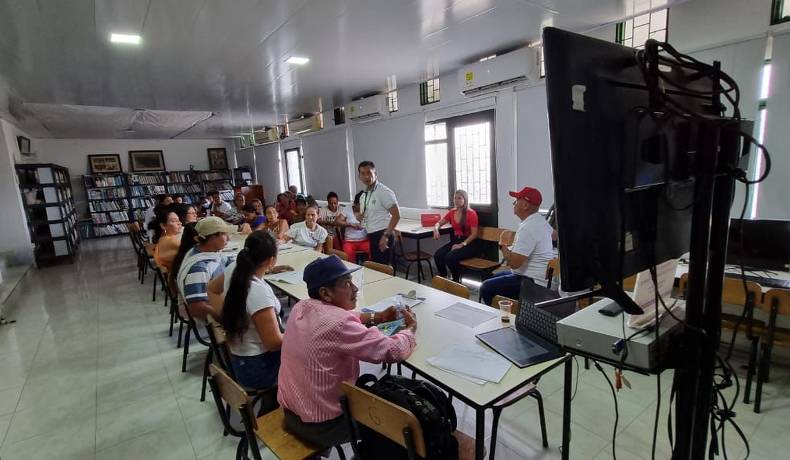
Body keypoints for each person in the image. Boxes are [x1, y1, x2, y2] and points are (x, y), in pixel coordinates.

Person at [278, 256, 417, 449]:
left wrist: (378, 317)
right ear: (326, 293)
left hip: (293, 410)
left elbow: (345, 317)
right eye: (347, 284)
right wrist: (409, 330)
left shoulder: (302, 306)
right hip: (322, 425)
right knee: (402, 425)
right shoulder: (338, 323)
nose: (355, 289)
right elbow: (393, 351)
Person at [217, 232, 284, 389]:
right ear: (271, 261)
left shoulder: (235, 268)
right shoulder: (257, 292)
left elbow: (212, 289)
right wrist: (301, 335)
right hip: (258, 367)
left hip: (241, 356)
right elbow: (273, 343)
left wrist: (225, 314)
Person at [479, 186, 554, 305]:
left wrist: (502, 243)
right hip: (534, 277)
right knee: (490, 279)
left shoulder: (529, 228)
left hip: (532, 283)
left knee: (486, 287)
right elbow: (553, 235)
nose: (514, 204)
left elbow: (514, 264)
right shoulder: (540, 221)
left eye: (516, 200)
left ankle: (499, 316)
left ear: (525, 206)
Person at [176, 216, 235, 321]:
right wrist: (224, 318)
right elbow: (197, 308)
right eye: (224, 234)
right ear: (211, 237)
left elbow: (223, 260)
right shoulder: (199, 268)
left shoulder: (203, 252)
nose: (229, 238)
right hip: (217, 317)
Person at [432, 190, 481, 282]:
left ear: (465, 200)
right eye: (455, 198)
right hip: (455, 241)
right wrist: (436, 229)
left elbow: (474, 234)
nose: (456, 200)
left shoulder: (471, 213)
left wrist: (462, 244)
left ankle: (456, 281)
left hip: (469, 244)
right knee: (438, 255)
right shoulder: (452, 212)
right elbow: (439, 223)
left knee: (449, 257)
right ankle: (444, 278)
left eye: (459, 198)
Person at [357, 161, 400, 265]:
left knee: (383, 270)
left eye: (369, 173)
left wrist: (386, 236)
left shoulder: (384, 192)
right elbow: (366, 215)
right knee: (377, 268)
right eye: (363, 173)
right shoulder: (364, 195)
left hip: (383, 234)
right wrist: (359, 217)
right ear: (359, 177)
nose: (366, 176)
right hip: (372, 235)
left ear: (375, 174)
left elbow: (396, 215)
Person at [335, 191, 370, 263]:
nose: (362, 207)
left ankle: (370, 269)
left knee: (374, 250)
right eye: (360, 205)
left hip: (364, 241)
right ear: (355, 203)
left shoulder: (367, 209)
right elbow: (337, 221)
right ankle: (353, 271)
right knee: (348, 254)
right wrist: (351, 224)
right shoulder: (348, 209)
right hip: (349, 241)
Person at [152, 206, 183, 272]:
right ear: (163, 226)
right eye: (174, 221)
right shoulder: (172, 241)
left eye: (179, 220)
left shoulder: (162, 239)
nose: (180, 223)